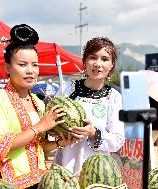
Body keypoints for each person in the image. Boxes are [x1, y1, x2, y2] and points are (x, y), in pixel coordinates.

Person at [0, 24, 73, 189]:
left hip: (38, 181)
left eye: (35, 65)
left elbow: (39, 146)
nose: (30, 71)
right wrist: (40, 126)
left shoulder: (37, 101)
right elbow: (1, 148)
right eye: (23, 65)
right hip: (6, 182)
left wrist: (60, 143)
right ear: (8, 68)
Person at [53, 37, 125, 176]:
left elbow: (117, 141)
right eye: (93, 57)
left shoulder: (114, 97)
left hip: (97, 171)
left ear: (111, 66)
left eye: (104, 59)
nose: (98, 64)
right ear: (85, 62)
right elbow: (51, 123)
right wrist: (58, 132)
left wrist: (93, 133)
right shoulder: (67, 89)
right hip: (65, 168)